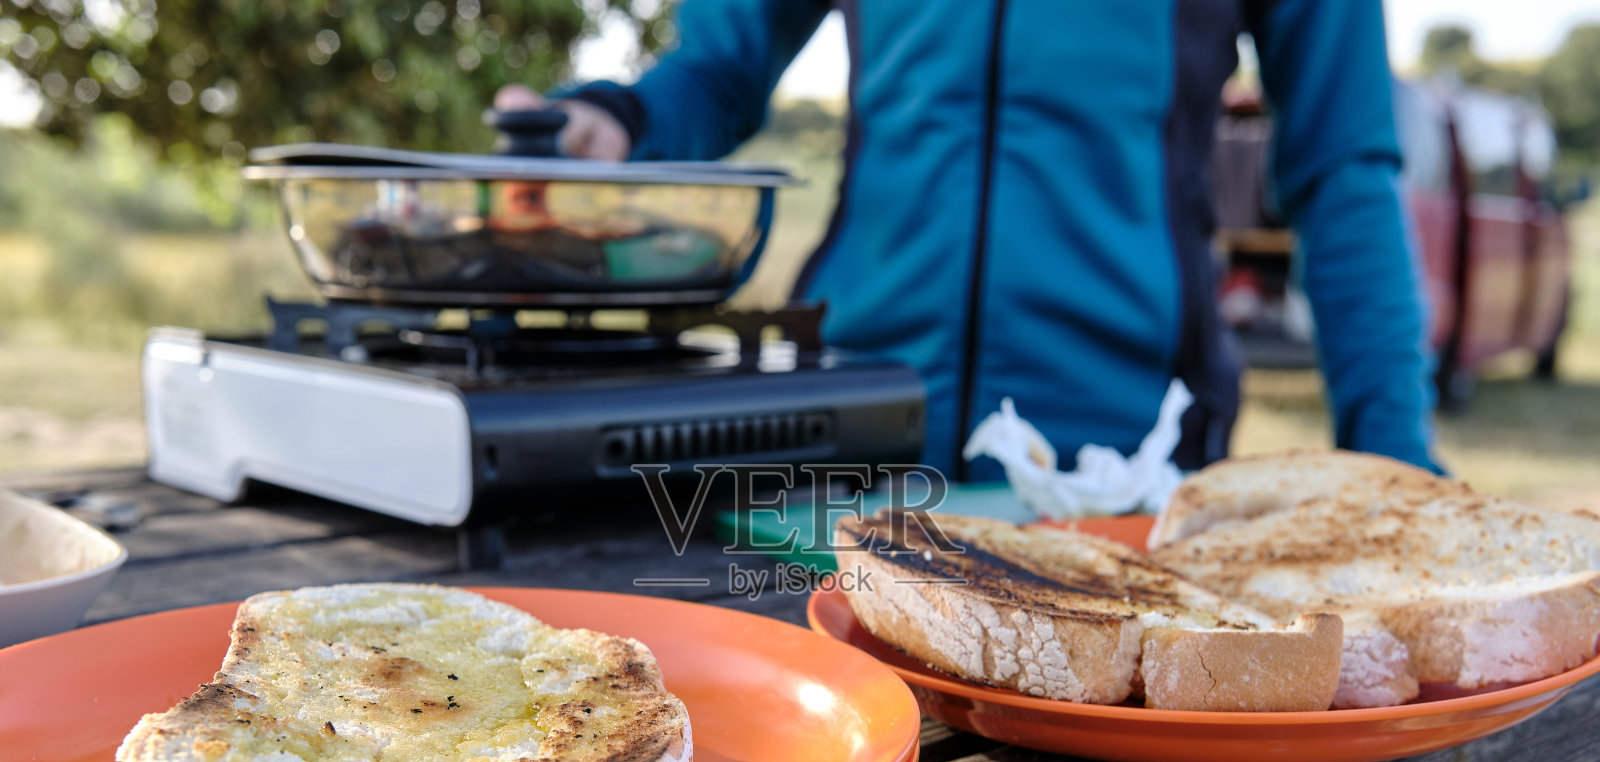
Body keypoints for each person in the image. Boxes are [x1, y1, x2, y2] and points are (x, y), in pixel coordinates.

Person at [496, 0, 1441, 479]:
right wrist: (618, 120)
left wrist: (1396, 461)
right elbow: (718, 67)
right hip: (848, 445)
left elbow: (1344, 167)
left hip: (1121, 468)